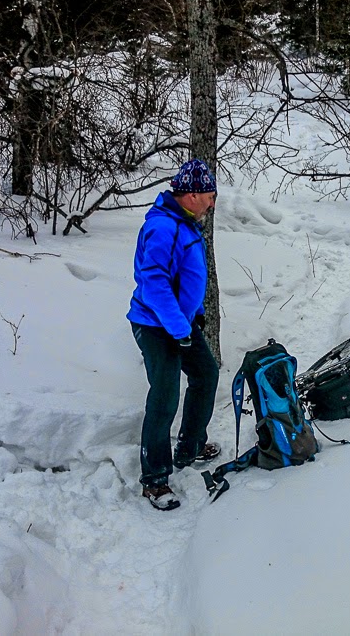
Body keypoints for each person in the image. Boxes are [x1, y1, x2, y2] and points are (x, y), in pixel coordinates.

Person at [127, 158, 221, 511]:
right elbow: (154, 282)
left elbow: (186, 278)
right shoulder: (164, 227)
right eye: (210, 196)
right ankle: (154, 479)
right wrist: (180, 328)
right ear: (193, 195)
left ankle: (191, 445)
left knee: (205, 374)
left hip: (180, 323)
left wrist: (190, 318)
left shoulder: (185, 222)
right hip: (155, 325)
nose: (212, 204)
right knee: (165, 395)